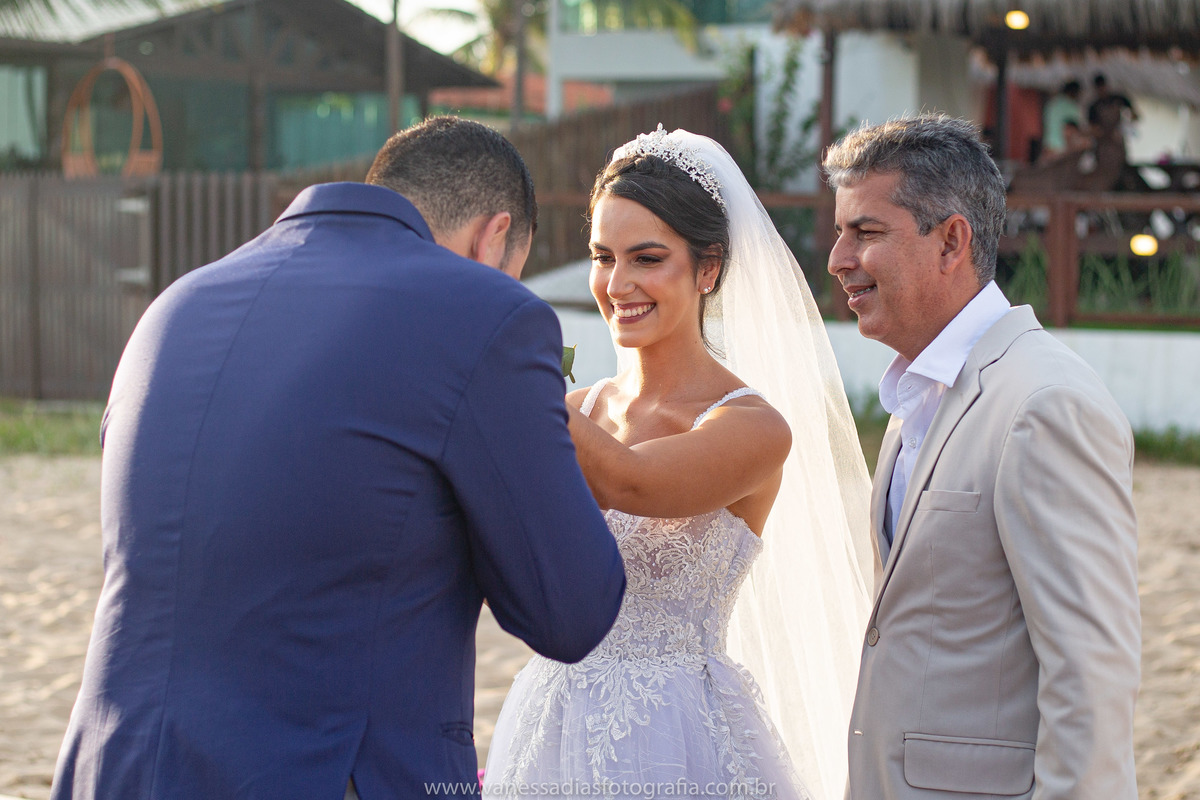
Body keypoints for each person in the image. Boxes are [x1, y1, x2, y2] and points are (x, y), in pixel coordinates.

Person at [50, 116, 627, 800]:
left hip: (112, 766)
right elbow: (571, 611)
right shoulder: (486, 310)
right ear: (493, 237)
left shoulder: (178, 304)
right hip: (323, 772)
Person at [483, 127, 874, 800]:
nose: (618, 283)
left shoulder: (753, 427)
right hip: (546, 725)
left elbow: (632, 481)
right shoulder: (576, 409)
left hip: (677, 738)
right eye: (604, 257)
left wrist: (515, 375)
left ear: (708, 269)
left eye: (648, 258)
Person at [823, 115, 1140, 799]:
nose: (838, 258)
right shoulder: (917, 398)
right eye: (841, 230)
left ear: (952, 241)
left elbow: (1091, 674)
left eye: (866, 232)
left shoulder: (1044, 404)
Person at [1039, 80, 1090, 162]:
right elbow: (1079, 129)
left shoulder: (1051, 104)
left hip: (1047, 148)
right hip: (1062, 151)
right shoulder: (1072, 107)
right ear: (1073, 93)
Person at [1088, 73, 1139, 151]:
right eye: (1099, 89)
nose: (1102, 91)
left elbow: (1135, 115)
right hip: (1103, 144)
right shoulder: (1094, 106)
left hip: (1119, 140)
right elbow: (1093, 129)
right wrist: (1107, 134)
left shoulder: (1118, 99)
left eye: (1103, 87)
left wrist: (1126, 126)